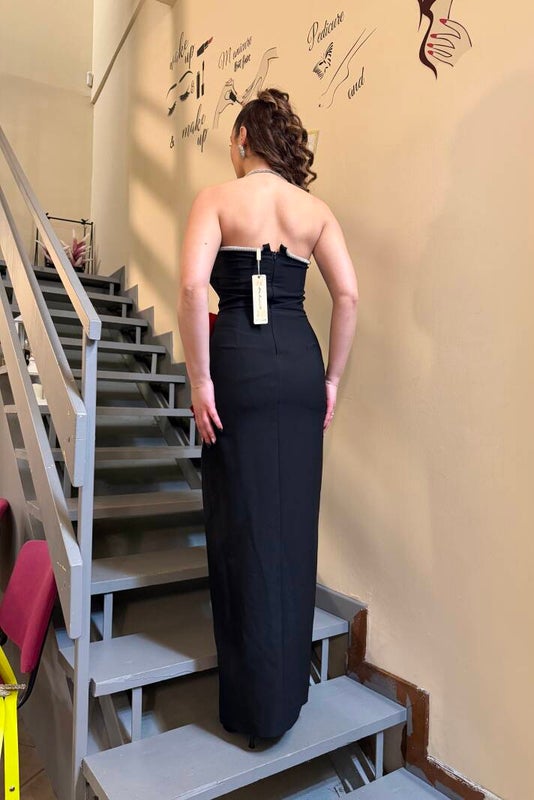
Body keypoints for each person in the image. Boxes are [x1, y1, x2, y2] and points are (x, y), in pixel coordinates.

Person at [177, 88, 358, 749]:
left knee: (240, 525)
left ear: (243, 139)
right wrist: (332, 379)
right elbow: (348, 295)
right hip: (300, 365)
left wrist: (200, 379)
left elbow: (192, 287)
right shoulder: (315, 212)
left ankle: (254, 709)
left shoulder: (217, 199)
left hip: (239, 366)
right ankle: (287, 695)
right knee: (291, 526)